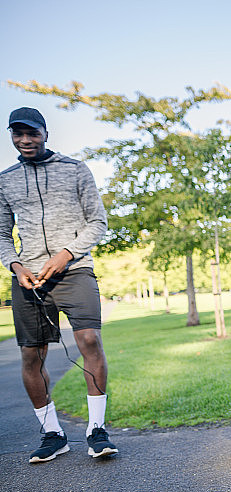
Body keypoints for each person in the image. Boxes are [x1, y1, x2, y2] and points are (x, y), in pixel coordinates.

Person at [0, 107, 117, 463]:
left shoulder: (75, 169)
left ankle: (97, 430)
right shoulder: (5, 180)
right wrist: (16, 266)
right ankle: (53, 434)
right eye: (17, 134)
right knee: (31, 354)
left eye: (31, 133)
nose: (25, 141)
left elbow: (98, 222)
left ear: (45, 133)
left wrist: (66, 254)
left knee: (89, 340)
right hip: (29, 278)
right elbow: (2, 234)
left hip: (75, 269)